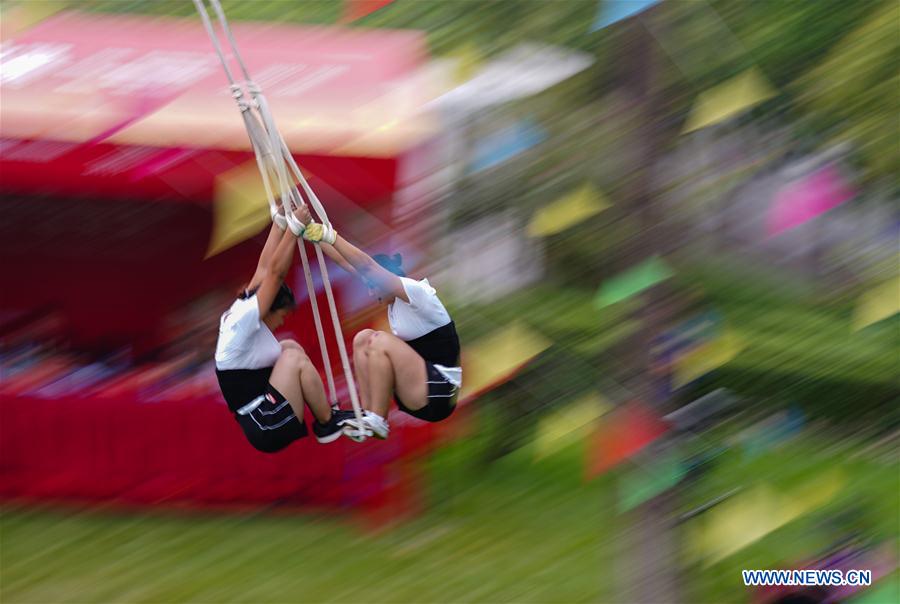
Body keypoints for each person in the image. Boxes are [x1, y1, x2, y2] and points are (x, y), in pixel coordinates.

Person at [297, 208, 461, 440]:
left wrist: (330, 235)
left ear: (385, 279)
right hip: (418, 393)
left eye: (373, 286)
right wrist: (309, 231)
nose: (370, 293)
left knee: (378, 340)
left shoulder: (416, 293)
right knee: (362, 338)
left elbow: (367, 266)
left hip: (439, 392)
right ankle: (368, 415)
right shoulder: (394, 303)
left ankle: (378, 420)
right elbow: (348, 263)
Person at [214, 208, 355, 452]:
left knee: (289, 347)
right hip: (265, 424)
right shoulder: (244, 319)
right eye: (281, 316)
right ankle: (327, 423)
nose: (281, 323)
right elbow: (275, 275)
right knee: (291, 358)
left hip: (265, 411)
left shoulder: (245, 305)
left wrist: (279, 225)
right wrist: (294, 229)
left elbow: (264, 269)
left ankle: (326, 416)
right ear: (269, 309)